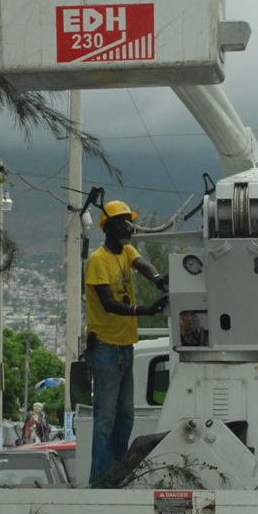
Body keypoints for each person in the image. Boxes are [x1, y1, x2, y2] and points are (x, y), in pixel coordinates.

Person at [84, 199, 167, 484]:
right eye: (123, 222)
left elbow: (143, 265)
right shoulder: (98, 260)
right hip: (105, 347)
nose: (129, 227)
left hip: (124, 346)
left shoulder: (126, 251)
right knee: (105, 419)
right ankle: (99, 479)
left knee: (126, 416)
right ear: (107, 226)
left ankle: (118, 473)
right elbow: (108, 303)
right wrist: (143, 310)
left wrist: (158, 279)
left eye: (130, 221)